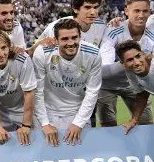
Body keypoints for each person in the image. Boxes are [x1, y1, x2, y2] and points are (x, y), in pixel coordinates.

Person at [32, 18, 102, 146]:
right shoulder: (42, 53)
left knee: (82, 158)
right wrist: (45, 123)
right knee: (46, 158)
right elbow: (37, 92)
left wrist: (78, 123)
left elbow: (92, 91)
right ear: (56, 40)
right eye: (64, 39)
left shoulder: (94, 54)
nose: (70, 43)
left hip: (77, 113)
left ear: (80, 37)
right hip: (48, 112)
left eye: (74, 37)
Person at [98, 0, 154, 127]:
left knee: (145, 125)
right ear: (126, 11)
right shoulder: (114, 29)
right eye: (136, 11)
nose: (141, 15)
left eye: (145, 11)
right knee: (108, 128)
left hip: (137, 85)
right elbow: (104, 67)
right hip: (108, 85)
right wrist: (133, 63)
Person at [0, 31, 38, 146]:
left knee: (31, 143)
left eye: (4, 48)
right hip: (1, 110)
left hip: (23, 109)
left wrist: (26, 125)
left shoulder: (22, 59)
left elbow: (29, 93)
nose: (1, 53)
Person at [115, 40, 154, 138]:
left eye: (138, 56)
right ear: (123, 63)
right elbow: (142, 95)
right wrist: (134, 121)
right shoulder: (131, 73)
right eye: (130, 60)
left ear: (143, 54)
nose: (136, 63)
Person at [38, 0, 107, 48]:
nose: (93, 12)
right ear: (75, 9)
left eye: (95, 7)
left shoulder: (102, 26)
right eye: (87, 7)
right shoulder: (55, 27)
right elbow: (35, 51)